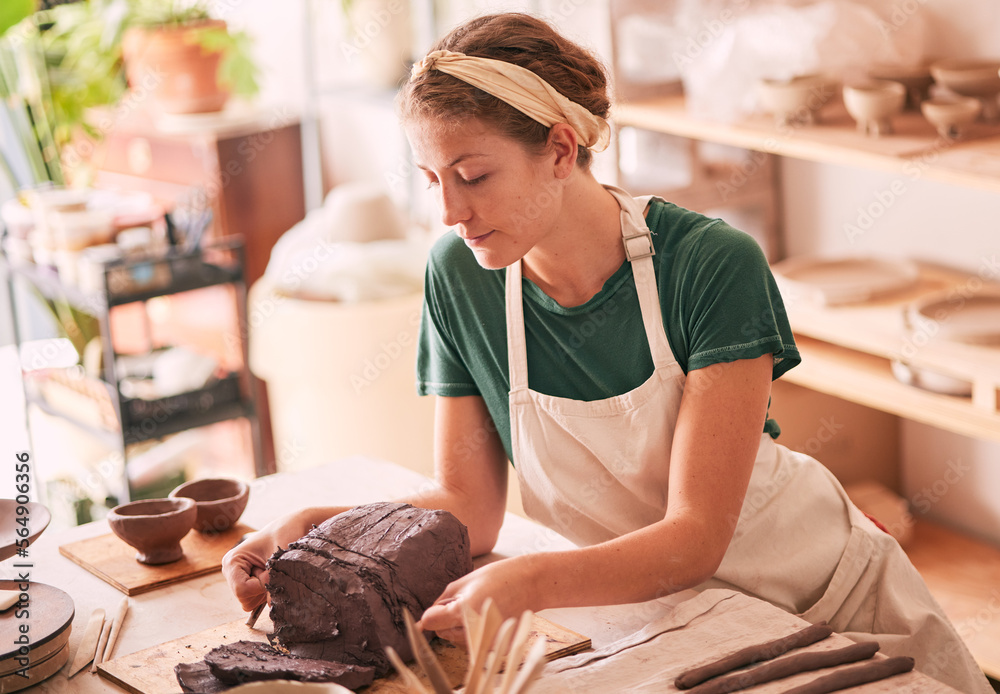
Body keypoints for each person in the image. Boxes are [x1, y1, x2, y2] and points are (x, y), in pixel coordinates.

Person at [223, 13, 991, 693]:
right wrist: (316, 532)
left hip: (826, 602)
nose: (450, 211)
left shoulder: (710, 263)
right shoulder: (459, 274)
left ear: (561, 148)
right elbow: (470, 510)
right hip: (671, 617)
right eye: (431, 180)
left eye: (473, 176)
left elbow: (694, 534)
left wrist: (528, 583)